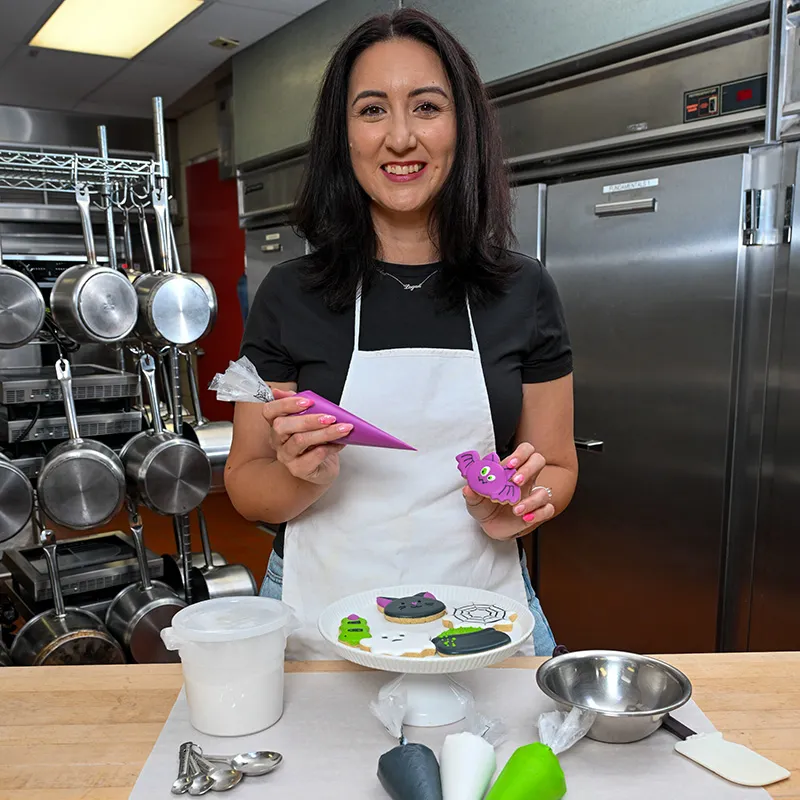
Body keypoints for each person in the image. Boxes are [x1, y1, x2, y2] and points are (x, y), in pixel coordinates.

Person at [226, 8, 578, 660]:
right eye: (371, 110)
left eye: (425, 106)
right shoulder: (291, 293)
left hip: (480, 608)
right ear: (343, 135)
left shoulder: (522, 288)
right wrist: (304, 478)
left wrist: (522, 507)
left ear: (461, 126)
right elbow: (247, 482)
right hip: (322, 618)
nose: (400, 137)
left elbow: (557, 464)